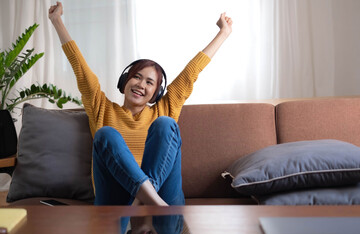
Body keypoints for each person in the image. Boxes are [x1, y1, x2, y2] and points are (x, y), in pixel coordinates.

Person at [49, 2, 232, 209]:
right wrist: (56, 21)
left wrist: (223, 33)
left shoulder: (165, 108)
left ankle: (143, 202)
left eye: (149, 82)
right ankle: (149, 204)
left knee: (165, 124)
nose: (140, 85)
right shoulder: (102, 108)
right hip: (117, 199)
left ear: (156, 93)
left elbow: (191, 73)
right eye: (136, 77)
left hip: (161, 195)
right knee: (105, 134)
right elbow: (79, 67)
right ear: (125, 81)